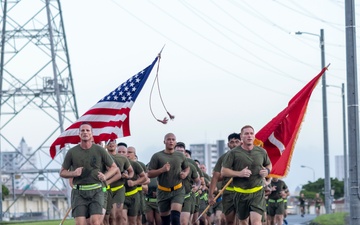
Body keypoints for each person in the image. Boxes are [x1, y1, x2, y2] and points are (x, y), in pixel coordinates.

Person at [59, 122, 118, 225]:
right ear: (79, 134)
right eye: (82, 130)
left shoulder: (99, 150)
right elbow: (62, 172)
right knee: (80, 223)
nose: (85, 132)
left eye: (87, 130)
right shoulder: (72, 152)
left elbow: (114, 168)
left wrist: (105, 176)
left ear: (91, 133)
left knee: (95, 222)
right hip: (79, 193)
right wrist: (74, 173)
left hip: (97, 190)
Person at [221, 125, 272, 225]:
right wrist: (239, 173)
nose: (249, 136)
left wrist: (267, 171)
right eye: (246, 134)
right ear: (241, 136)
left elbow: (269, 164)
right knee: (243, 222)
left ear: (254, 136)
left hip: (257, 191)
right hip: (240, 193)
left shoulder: (261, 151)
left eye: (251, 133)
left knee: (256, 222)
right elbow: (224, 171)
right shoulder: (233, 153)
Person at [148, 133, 190, 225]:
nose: (171, 141)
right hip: (162, 191)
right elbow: (149, 174)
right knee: (165, 221)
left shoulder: (180, 156)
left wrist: (185, 173)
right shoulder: (157, 156)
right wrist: (162, 170)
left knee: (175, 217)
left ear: (175, 142)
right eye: (169, 139)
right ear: (164, 141)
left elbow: (187, 167)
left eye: (173, 139)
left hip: (178, 190)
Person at [208, 133, 241, 225]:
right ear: (228, 144)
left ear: (241, 143)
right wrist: (210, 195)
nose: (234, 144)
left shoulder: (246, 156)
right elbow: (215, 177)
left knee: (241, 220)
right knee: (229, 221)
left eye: (237, 142)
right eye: (232, 142)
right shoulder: (223, 158)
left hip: (243, 192)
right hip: (228, 193)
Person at [104, 140, 134, 225]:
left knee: (117, 214)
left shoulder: (122, 158)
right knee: (109, 216)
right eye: (109, 142)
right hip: (106, 189)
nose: (111, 144)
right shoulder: (103, 157)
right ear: (106, 145)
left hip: (119, 188)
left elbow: (131, 171)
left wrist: (128, 176)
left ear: (116, 144)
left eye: (113, 142)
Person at [119, 145, 147, 225]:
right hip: (121, 196)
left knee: (133, 221)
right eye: (119, 152)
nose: (122, 154)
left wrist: (134, 182)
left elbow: (145, 178)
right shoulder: (115, 163)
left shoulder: (135, 165)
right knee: (123, 220)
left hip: (134, 196)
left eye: (124, 152)